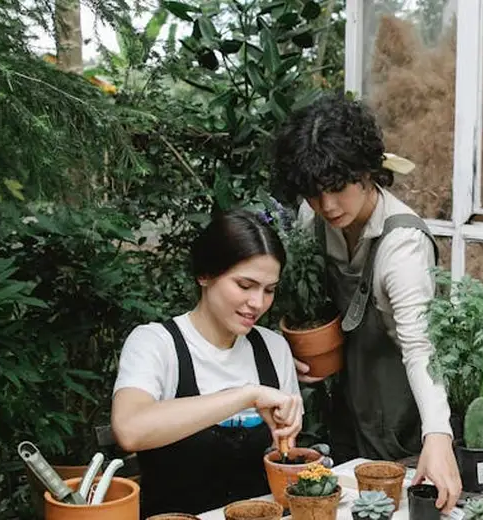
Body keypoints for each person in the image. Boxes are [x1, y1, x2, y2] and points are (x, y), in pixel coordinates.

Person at [270, 92, 463, 513]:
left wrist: (437, 436)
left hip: (400, 399)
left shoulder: (403, 245)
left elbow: (420, 348)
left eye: (337, 188)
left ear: (367, 172)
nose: (327, 206)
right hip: (346, 391)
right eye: (313, 193)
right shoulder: (313, 218)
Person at [111, 208, 304, 517]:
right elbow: (129, 429)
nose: (257, 303)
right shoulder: (156, 343)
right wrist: (247, 395)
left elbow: (283, 456)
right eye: (244, 285)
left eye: (269, 290)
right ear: (204, 275)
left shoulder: (272, 348)